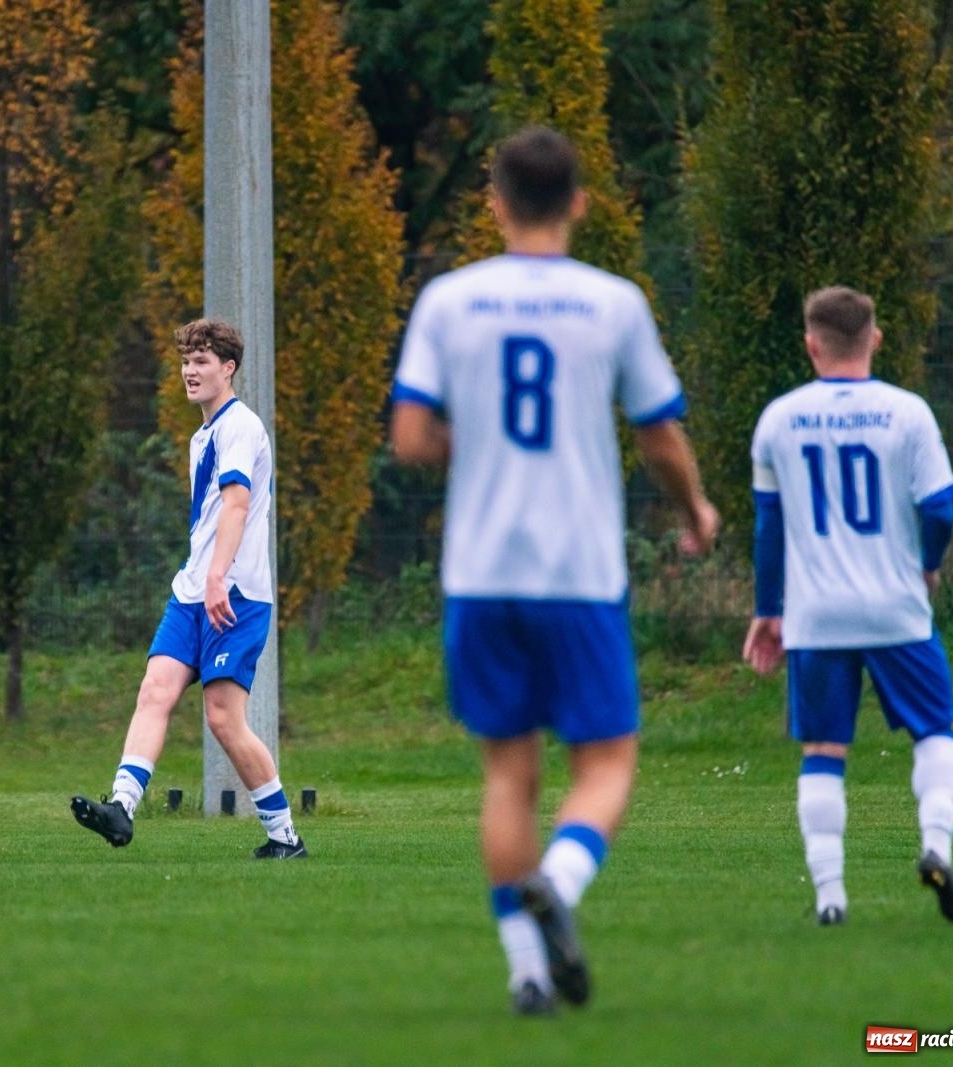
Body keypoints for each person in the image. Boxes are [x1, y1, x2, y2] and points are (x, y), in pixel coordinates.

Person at [390, 126, 718, 1015]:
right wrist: (696, 510)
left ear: (495, 202)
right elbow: (659, 434)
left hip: (480, 570)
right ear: (579, 202)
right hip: (578, 570)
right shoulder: (613, 303)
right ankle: (560, 885)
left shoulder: (449, 299)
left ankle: (528, 973)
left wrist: (478, 448)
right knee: (606, 762)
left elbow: (410, 437)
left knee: (509, 775)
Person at [743, 286, 953, 927]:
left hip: (816, 615)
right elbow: (940, 507)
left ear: (811, 345)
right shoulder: (908, 413)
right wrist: (926, 564)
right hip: (895, 607)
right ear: (875, 338)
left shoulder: (779, 419)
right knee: (934, 730)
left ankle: (831, 898)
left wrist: (768, 609)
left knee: (823, 749)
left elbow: (768, 527)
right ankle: (936, 845)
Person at [71, 319, 306, 859]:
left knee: (223, 717)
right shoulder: (203, 435)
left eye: (201, 361)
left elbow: (237, 505)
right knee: (155, 689)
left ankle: (284, 837)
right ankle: (122, 807)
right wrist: (202, 578)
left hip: (236, 593)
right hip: (192, 590)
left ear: (229, 368)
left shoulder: (239, 426)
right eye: (185, 362)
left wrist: (219, 576)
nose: (189, 371)